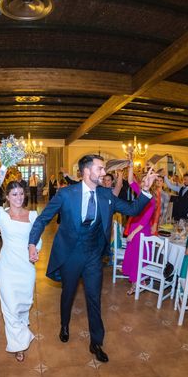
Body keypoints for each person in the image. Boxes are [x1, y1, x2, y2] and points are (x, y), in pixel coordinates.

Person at [28, 155, 157, 363]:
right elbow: (43, 219)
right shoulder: (66, 194)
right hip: (70, 254)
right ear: (87, 171)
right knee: (68, 294)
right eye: (100, 169)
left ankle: (96, 342)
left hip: (93, 255)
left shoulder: (106, 195)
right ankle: (64, 324)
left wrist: (146, 190)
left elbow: (133, 209)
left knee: (94, 299)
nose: (104, 173)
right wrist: (32, 242)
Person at [0, 169, 41, 362]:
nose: (18, 197)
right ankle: (19, 344)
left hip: (26, 268)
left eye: (21, 193)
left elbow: (37, 240)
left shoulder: (33, 215)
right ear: (7, 197)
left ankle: (22, 327)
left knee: (23, 304)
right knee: (9, 306)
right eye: (14, 194)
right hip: (7, 267)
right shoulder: (1, 214)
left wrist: (35, 250)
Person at [122, 167, 157, 295]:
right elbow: (131, 181)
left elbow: (144, 221)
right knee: (132, 257)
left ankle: (136, 284)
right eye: (142, 181)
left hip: (141, 232)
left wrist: (132, 233)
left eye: (145, 181)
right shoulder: (141, 194)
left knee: (137, 259)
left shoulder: (151, 200)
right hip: (134, 228)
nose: (142, 184)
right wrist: (131, 164)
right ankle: (139, 281)